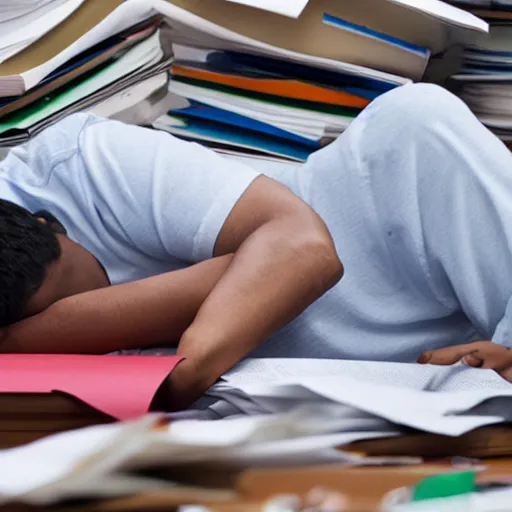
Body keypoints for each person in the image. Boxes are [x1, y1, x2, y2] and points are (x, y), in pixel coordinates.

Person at [0, 83, 511, 409]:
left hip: (383, 255)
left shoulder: (73, 162)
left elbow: (304, 252)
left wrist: (186, 372)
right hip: (324, 394)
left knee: (415, 117)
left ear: (51, 224)